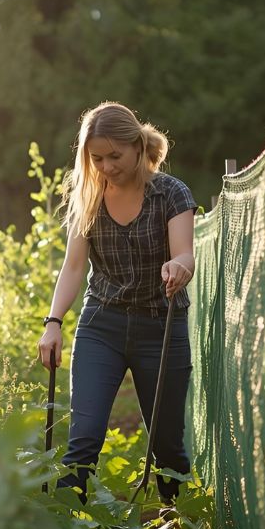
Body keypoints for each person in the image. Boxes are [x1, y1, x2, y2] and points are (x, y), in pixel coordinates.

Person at [37, 101, 197, 505]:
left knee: (167, 447)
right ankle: (63, 526)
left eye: (114, 156)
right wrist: (53, 323)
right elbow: (74, 267)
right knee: (83, 441)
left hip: (161, 326)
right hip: (101, 326)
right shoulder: (88, 196)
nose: (106, 167)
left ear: (137, 146)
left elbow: (185, 254)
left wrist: (178, 267)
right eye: (97, 159)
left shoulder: (171, 193)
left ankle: (178, 519)